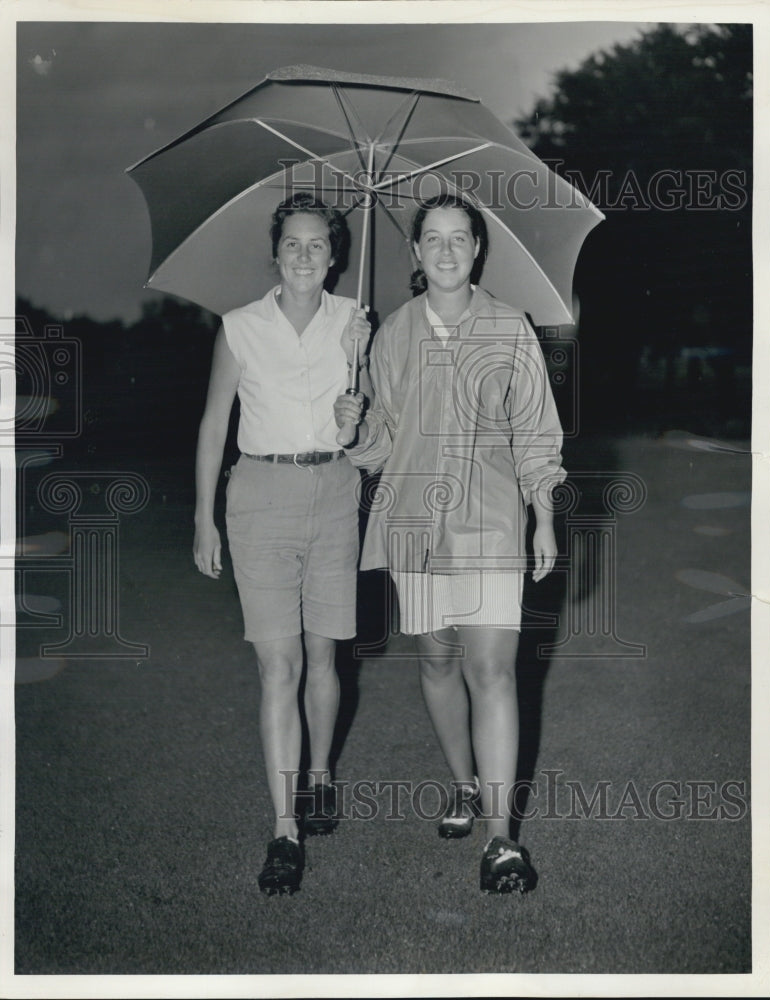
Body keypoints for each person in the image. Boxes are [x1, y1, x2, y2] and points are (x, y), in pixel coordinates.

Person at [335, 193, 565, 894]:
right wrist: (351, 422)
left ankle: (501, 841)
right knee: (436, 658)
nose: (444, 250)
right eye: (431, 238)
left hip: (493, 522)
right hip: (414, 524)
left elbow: (536, 430)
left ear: (476, 249)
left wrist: (544, 513)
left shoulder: (509, 327)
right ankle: (464, 786)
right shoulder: (390, 334)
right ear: (414, 252)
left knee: (492, 668)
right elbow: (379, 450)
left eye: (458, 238)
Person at [194, 192, 371, 896]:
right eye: (292, 243)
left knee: (325, 654)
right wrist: (202, 520)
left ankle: (320, 773)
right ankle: (283, 829)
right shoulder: (239, 328)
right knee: (279, 665)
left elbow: (369, 431)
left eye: (318, 244)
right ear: (276, 253)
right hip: (259, 498)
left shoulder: (357, 324)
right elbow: (214, 426)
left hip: (334, 493)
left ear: (335, 256)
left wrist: (358, 411)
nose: (304, 255)